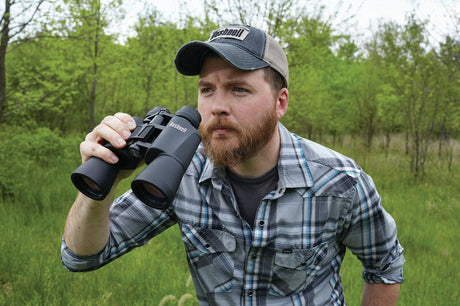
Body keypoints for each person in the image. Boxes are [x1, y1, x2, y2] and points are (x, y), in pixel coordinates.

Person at [61, 24, 405, 305]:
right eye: (207, 89)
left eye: (239, 90)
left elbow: (385, 265)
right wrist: (103, 184)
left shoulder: (339, 181)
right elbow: (82, 256)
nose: (217, 106)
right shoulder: (181, 171)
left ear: (279, 102)